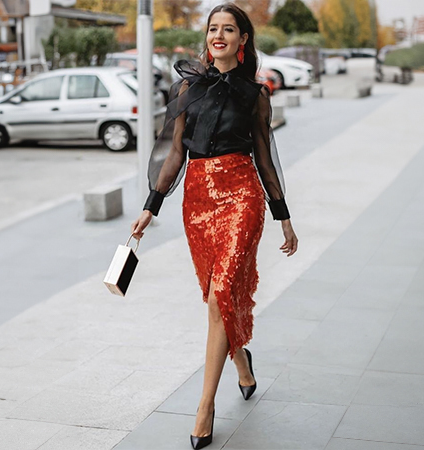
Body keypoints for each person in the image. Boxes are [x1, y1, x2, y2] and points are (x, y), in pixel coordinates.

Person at [131, 3, 298, 448]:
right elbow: (173, 154)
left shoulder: (257, 94)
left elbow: (264, 158)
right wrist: (152, 206)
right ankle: (242, 365)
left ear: (244, 40)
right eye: (213, 29)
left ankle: (204, 408)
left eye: (229, 29)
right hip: (198, 201)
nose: (219, 35)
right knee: (213, 296)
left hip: (242, 195)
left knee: (223, 291)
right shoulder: (188, 87)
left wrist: (282, 216)